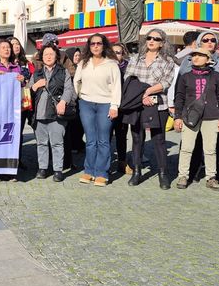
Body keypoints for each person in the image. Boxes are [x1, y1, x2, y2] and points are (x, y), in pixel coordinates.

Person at [123, 28, 176, 189]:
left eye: (156, 39)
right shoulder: (135, 58)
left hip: (158, 102)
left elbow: (166, 82)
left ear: (162, 43)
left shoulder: (168, 61)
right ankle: (137, 172)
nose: (152, 41)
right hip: (137, 102)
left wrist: (148, 91)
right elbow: (128, 78)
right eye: (149, 38)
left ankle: (163, 174)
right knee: (137, 138)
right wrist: (141, 94)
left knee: (159, 139)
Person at [178, 31, 219, 184]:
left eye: (200, 55)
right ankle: (183, 176)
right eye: (194, 55)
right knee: (187, 148)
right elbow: (179, 97)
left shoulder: (216, 76)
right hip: (190, 115)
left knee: (210, 150)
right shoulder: (186, 76)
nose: (196, 58)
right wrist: (177, 116)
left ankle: (211, 177)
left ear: (208, 59)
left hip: (211, 116)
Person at [74, 34, 121, 186]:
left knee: (103, 140)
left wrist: (114, 106)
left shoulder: (111, 64)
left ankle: (102, 172)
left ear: (103, 45)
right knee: (90, 140)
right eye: (92, 43)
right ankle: (89, 170)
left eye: (98, 43)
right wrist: (80, 97)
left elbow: (116, 87)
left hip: (105, 104)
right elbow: (76, 80)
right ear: (89, 46)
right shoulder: (83, 63)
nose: (95, 46)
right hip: (86, 104)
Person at [30, 44, 75, 182]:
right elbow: (28, 92)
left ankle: (57, 170)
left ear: (56, 56)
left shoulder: (63, 72)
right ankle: (42, 168)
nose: (48, 57)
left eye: (51, 54)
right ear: (42, 58)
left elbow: (69, 89)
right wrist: (35, 86)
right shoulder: (36, 73)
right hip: (39, 113)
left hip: (56, 113)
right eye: (45, 54)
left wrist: (64, 102)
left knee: (57, 143)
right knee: (41, 143)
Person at [111, 43, 131, 175]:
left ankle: (122, 162)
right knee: (105, 136)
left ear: (122, 54)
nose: (115, 55)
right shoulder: (106, 67)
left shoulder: (128, 68)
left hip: (123, 107)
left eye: (118, 52)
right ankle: (105, 163)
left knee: (121, 135)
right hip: (107, 106)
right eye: (113, 53)